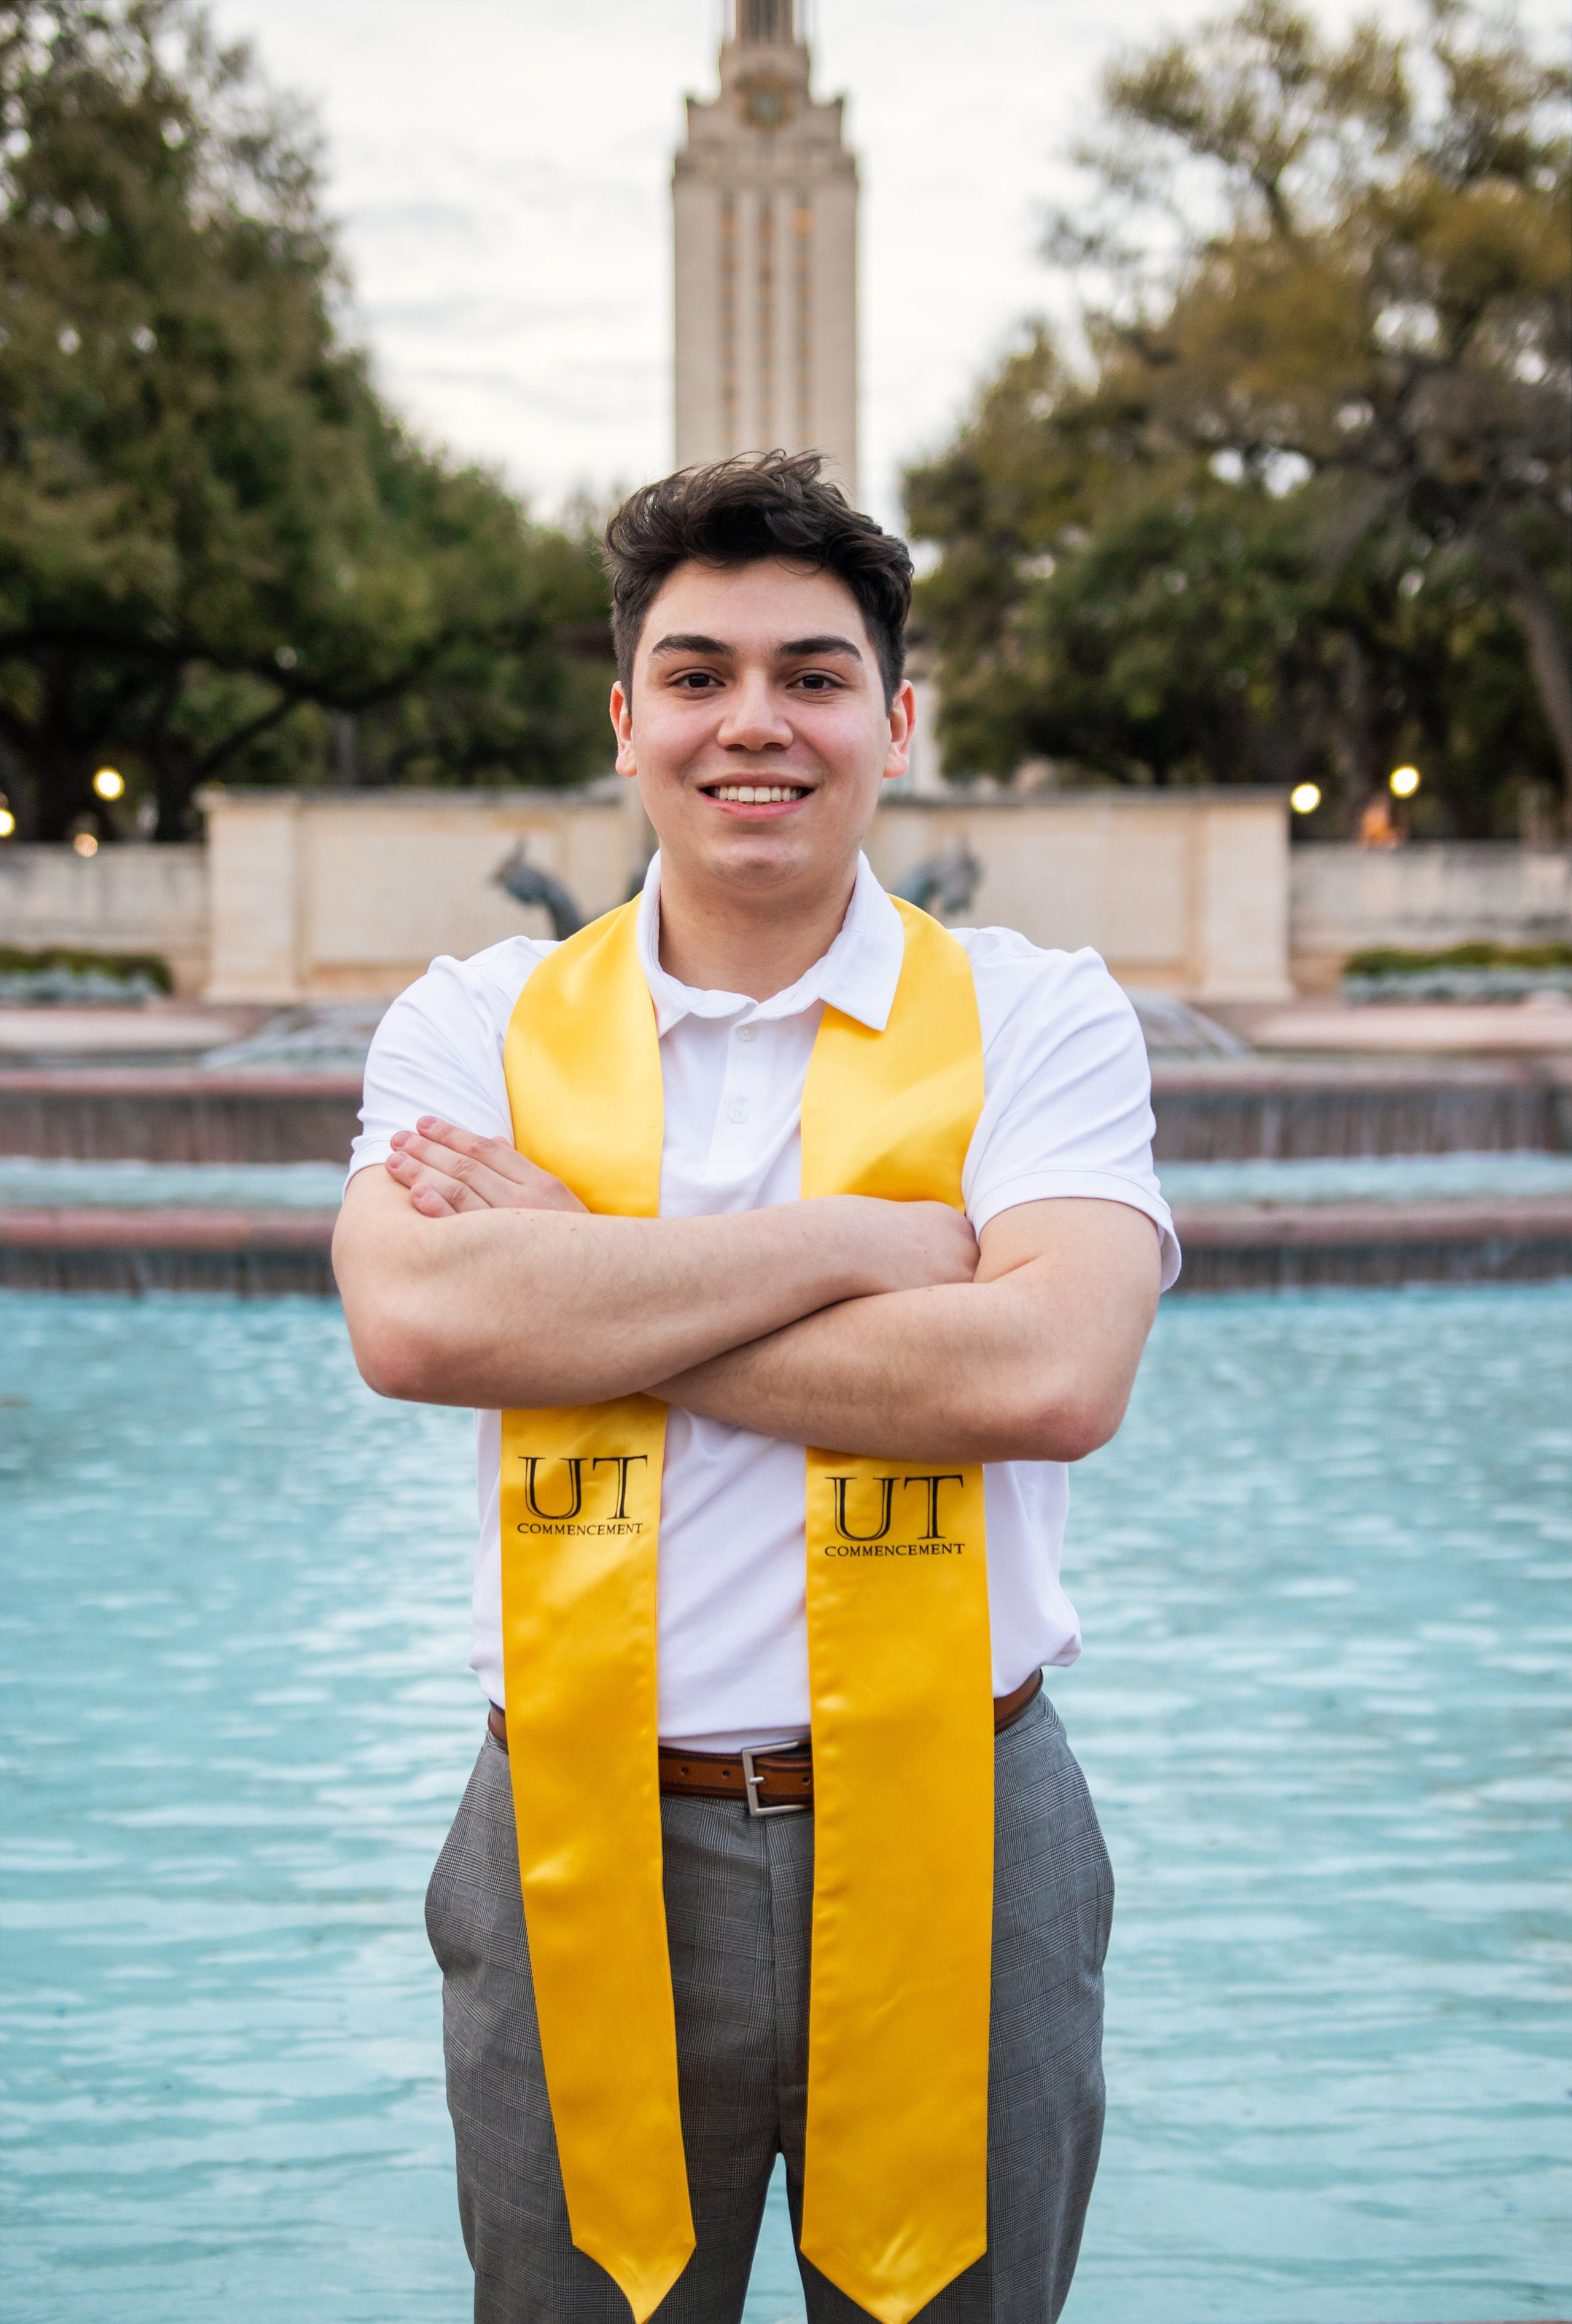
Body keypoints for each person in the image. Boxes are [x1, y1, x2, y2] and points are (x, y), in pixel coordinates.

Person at [332, 451, 1179, 2324]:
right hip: (575, 1819)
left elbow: (1049, 1366)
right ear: (625, 718)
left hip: (967, 1821)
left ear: (895, 716)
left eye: (811, 673)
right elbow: (415, 1329)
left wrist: (578, 1274)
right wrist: (868, 1246)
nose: (754, 723)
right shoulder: (476, 1019)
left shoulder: (1039, 1011)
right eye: (698, 672)